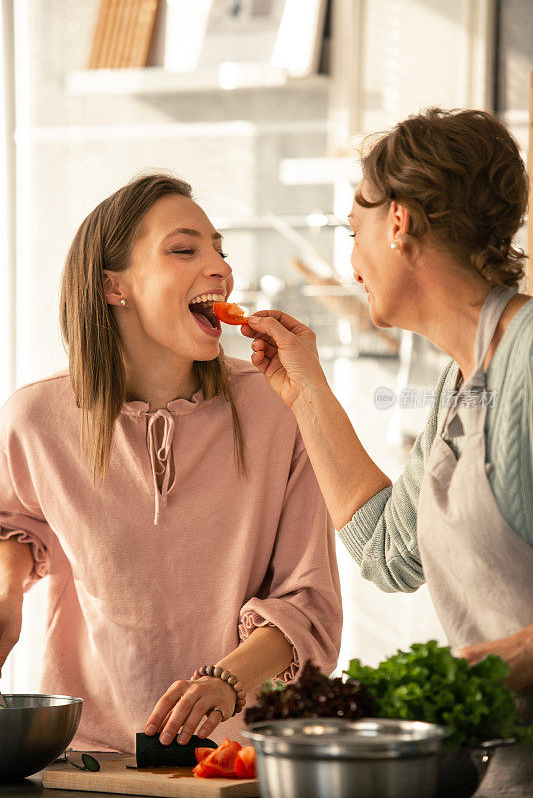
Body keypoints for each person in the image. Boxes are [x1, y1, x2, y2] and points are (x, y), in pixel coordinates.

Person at [242, 108, 533, 796]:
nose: (351, 261)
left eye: (354, 230)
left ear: (397, 222)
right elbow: (387, 550)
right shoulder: (462, 377)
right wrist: (303, 388)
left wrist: (505, 661)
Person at [0, 173, 342, 752]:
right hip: (88, 757)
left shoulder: (278, 407)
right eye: (185, 249)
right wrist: (7, 597)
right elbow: (17, 523)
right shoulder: (37, 416)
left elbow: (309, 603)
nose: (220, 267)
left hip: (242, 759)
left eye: (219, 250)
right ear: (113, 286)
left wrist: (227, 683)